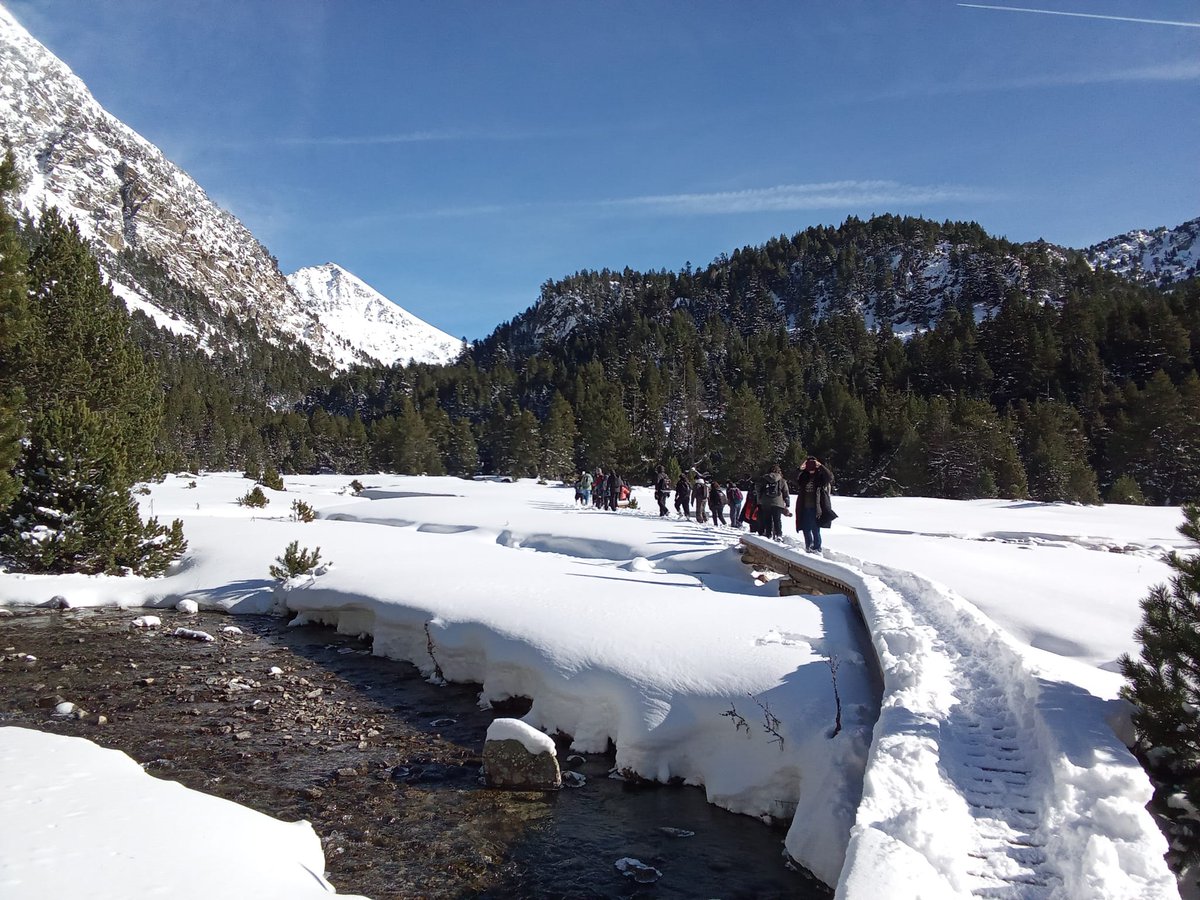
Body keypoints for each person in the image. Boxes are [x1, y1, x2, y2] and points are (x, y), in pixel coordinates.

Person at [795, 457, 836, 552]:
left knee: (815, 528)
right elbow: (792, 478)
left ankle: (817, 547)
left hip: (816, 507)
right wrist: (799, 469)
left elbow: (830, 477)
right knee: (805, 528)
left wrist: (821, 466)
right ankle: (809, 545)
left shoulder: (820, 477)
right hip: (804, 507)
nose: (811, 466)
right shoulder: (803, 477)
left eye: (812, 464)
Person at [758, 464, 790, 540]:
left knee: (767, 519)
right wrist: (787, 502)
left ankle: (768, 534)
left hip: (765, 502)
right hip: (778, 502)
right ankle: (779, 535)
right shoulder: (782, 480)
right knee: (777, 519)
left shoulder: (764, 479)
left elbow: (758, 489)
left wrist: (759, 500)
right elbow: (785, 491)